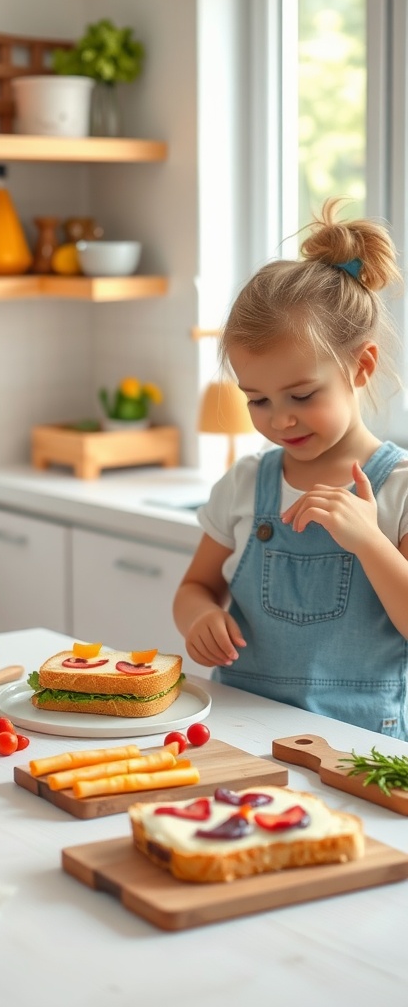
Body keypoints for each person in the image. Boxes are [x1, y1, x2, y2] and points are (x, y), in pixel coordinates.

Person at [173, 198, 408, 739]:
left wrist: (369, 542)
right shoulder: (245, 485)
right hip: (243, 732)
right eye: (257, 400)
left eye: (301, 395)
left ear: (361, 366)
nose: (280, 420)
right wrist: (198, 618)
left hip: (362, 746)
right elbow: (195, 586)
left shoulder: (397, 489)